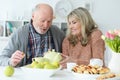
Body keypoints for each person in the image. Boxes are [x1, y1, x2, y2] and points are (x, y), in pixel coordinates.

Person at [0, 3, 65, 67]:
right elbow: (2, 58)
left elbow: (68, 55)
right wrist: (11, 61)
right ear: (33, 16)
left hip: (51, 76)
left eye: (49, 21)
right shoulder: (19, 34)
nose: (46, 25)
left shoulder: (58, 33)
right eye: (42, 21)